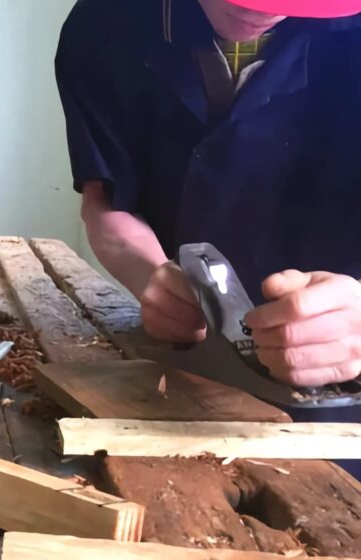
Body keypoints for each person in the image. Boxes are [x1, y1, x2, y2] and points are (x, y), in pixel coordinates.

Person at [55, 0, 361, 476]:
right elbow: (108, 201)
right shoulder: (104, 23)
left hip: (343, 413)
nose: (257, 8)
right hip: (180, 387)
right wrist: (151, 276)